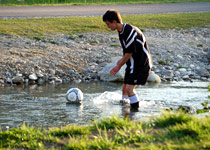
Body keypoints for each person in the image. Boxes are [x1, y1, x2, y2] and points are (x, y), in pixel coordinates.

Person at [102, 10, 152, 109]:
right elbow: (129, 50)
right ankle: (125, 111)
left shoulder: (130, 31)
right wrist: (121, 60)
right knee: (124, 88)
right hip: (133, 64)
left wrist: (118, 66)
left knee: (129, 89)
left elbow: (129, 52)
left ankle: (134, 114)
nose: (108, 26)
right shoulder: (121, 31)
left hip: (141, 64)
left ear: (114, 22)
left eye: (108, 24)